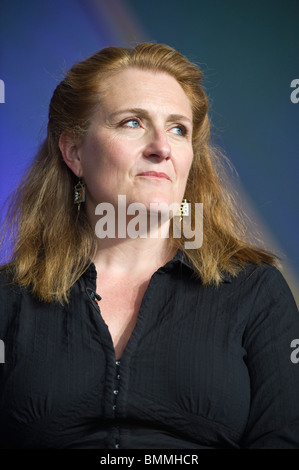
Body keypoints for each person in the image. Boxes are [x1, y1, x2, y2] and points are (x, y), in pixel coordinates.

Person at [0, 42, 298, 450]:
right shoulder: (8, 299)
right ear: (73, 153)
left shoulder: (255, 292)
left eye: (179, 129)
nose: (162, 147)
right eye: (132, 122)